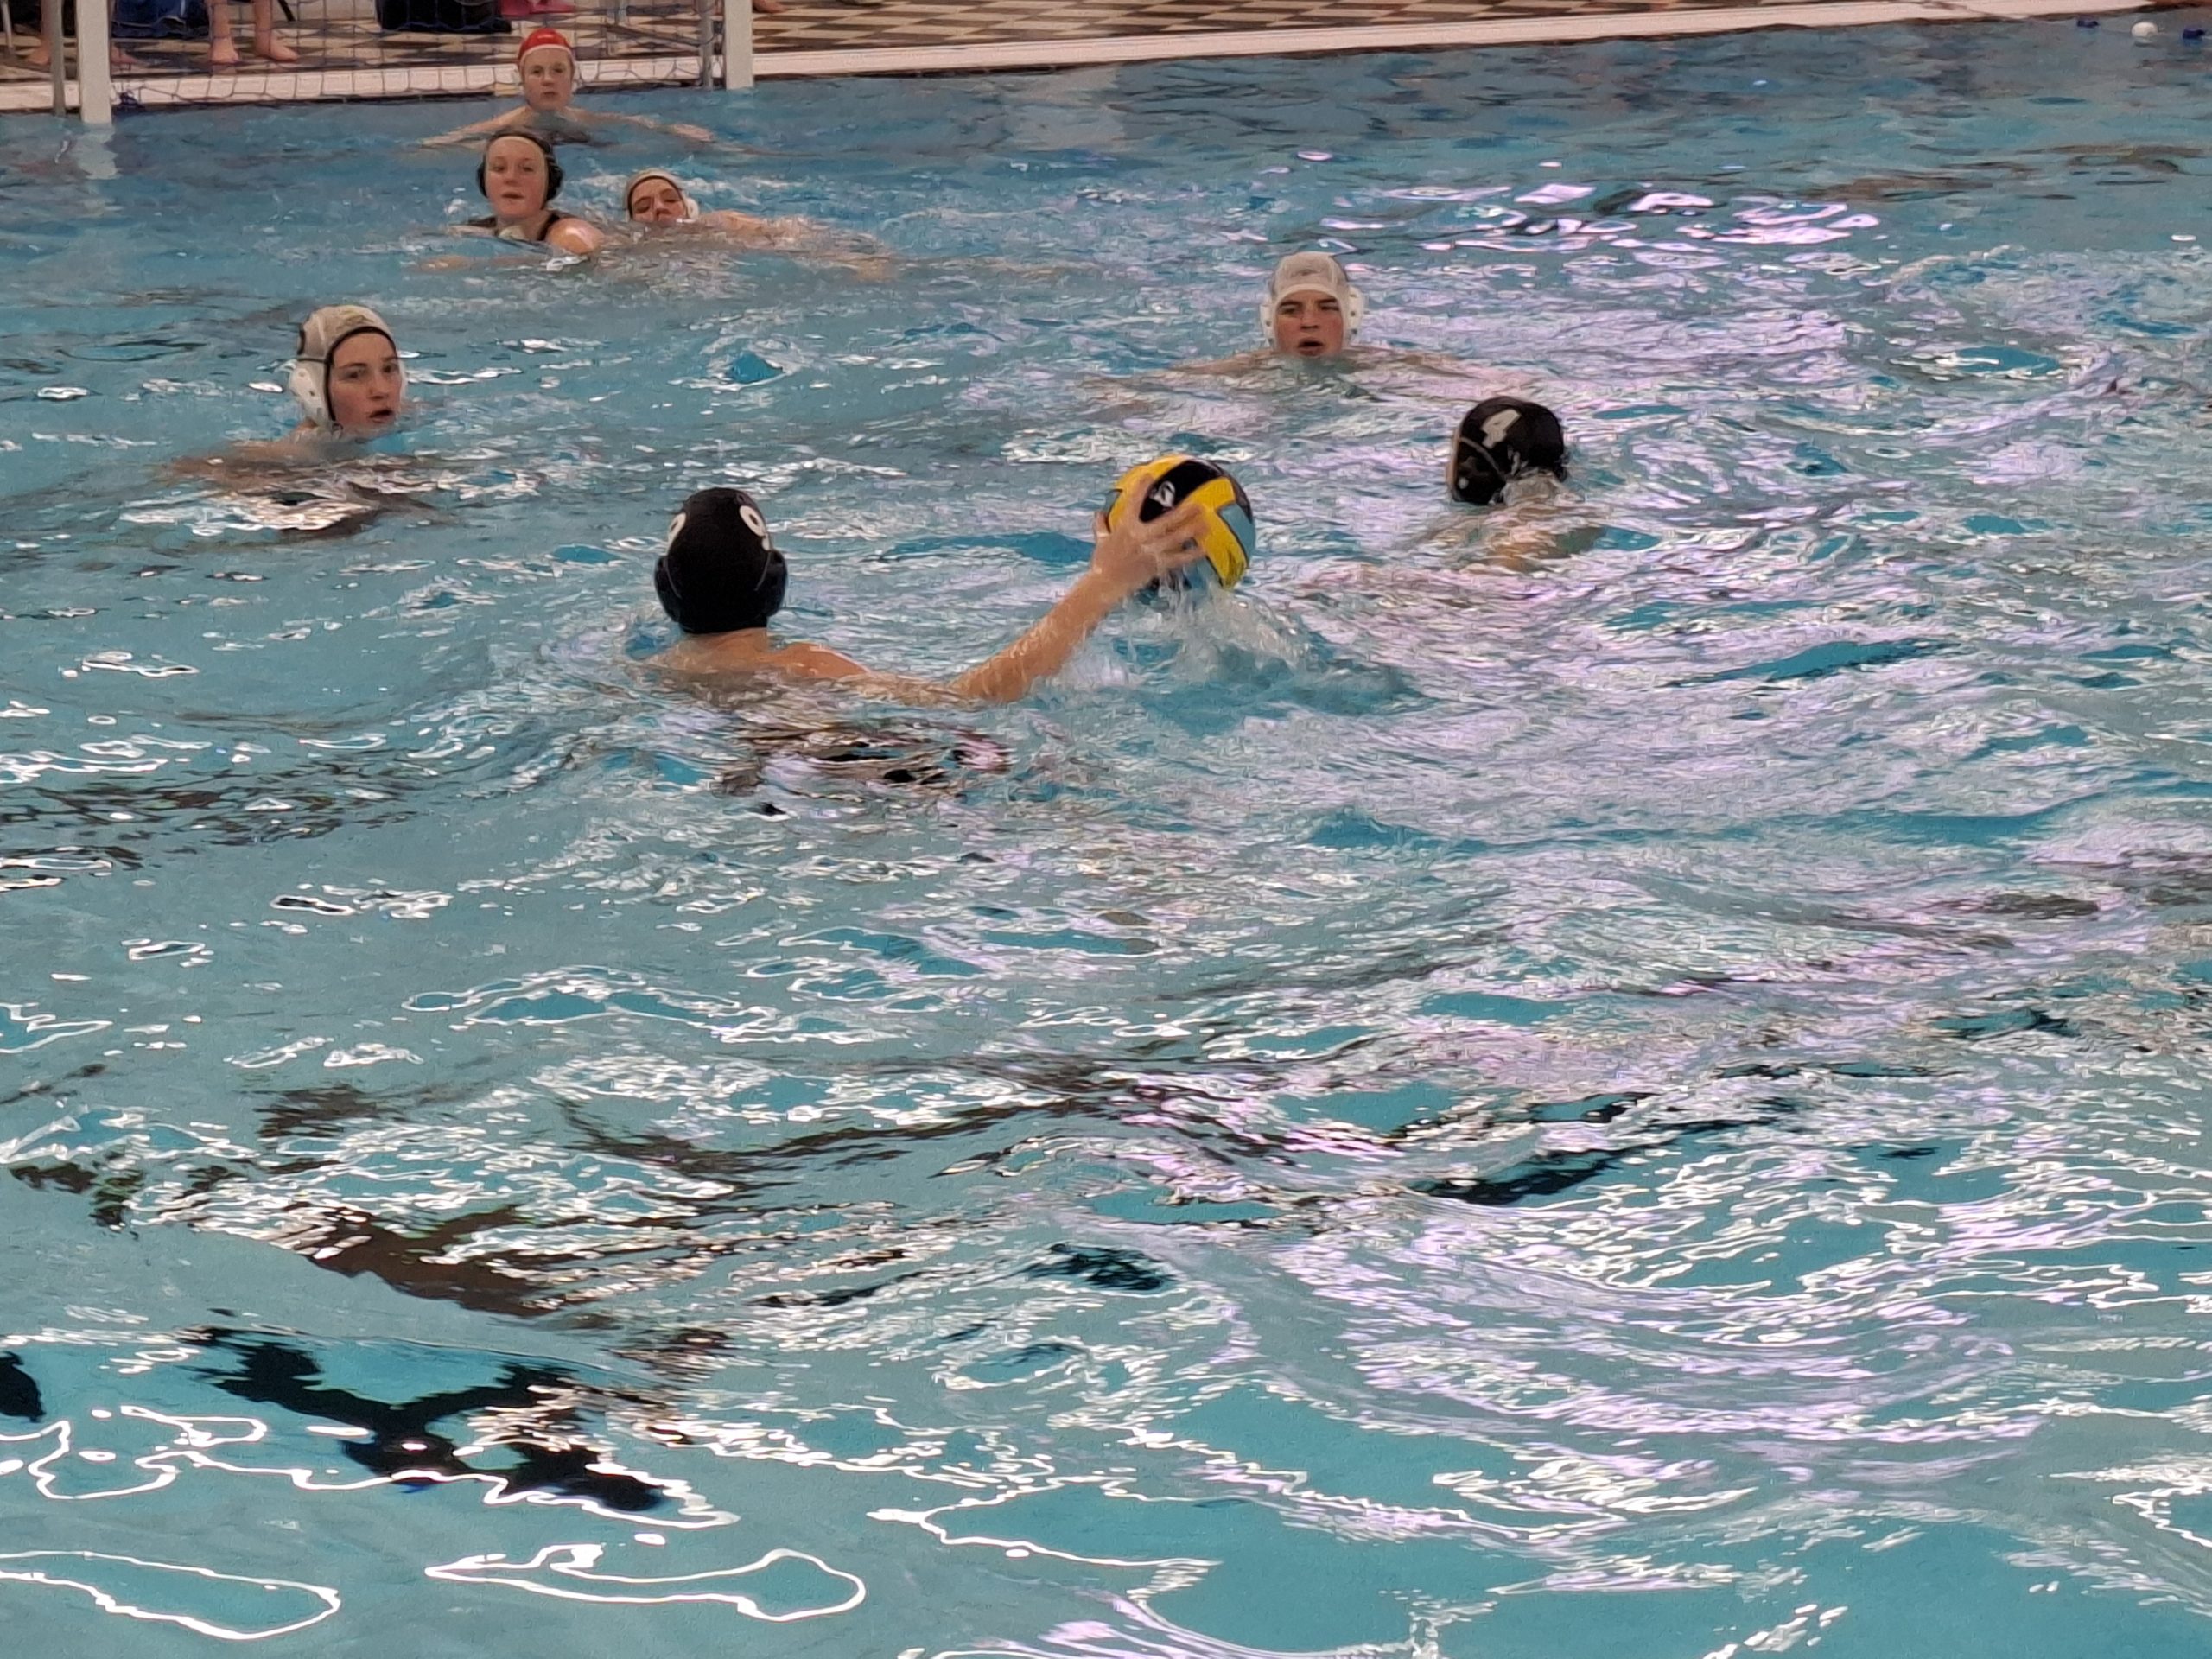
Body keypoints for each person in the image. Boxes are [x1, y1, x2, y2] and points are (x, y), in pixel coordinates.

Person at [652, 486, 1216, 704]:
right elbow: (975, 698)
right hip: (866, 779)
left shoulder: (651, 677)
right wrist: (1104, 583)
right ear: (775, 582)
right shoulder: (805, 668)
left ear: (665, 591)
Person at [424, 29, 715, 149]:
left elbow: (636, 124)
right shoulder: (506, 125)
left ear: (573, 78)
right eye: (536, 72)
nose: (548, 80)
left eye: (558, 71)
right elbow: (451, 141)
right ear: (521, 81)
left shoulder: (585, 120)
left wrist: (675, 131)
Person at [619, 168, 892, 273]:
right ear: (632, 220)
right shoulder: (625, 247)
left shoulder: (721, 225)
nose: (659, 209)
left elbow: (789, 237)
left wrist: (856, 260)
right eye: (644, 206)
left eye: (669, 199)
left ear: (689, 208)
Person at [467, 132, 604, 255]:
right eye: (499, 168)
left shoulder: (571, 236)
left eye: (527, 169)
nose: (511, 178)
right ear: (483, 179)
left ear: (550, 182)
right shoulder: (473, 233)